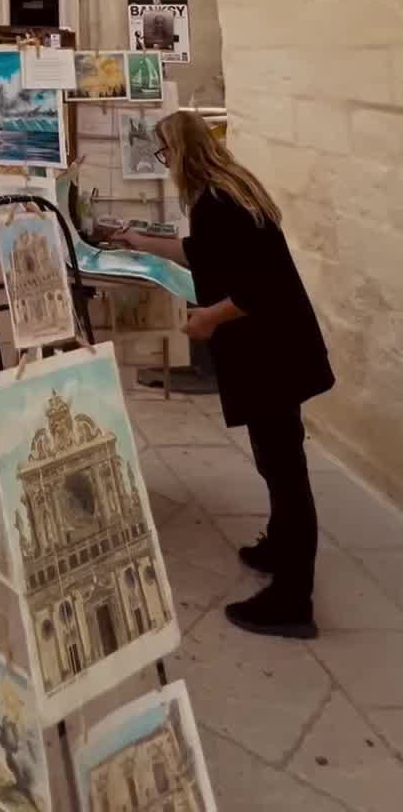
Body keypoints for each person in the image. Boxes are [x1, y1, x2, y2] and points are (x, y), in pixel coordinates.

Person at [116, 111, 334, 639]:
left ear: (181, 153)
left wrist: (207, 319)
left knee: (285, 468)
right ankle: (280, 547)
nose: (165, 166)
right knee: (276, 457)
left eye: (166, 155)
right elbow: (203, 254)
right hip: (282, 349)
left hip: (272, 354)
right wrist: (138, 241)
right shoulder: (229, 188)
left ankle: (292, 600)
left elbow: (258, 288)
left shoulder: (215, 202)